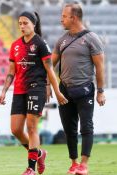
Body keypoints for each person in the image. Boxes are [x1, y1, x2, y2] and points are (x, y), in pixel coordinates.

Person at [0, 11, 68, 175]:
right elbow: (11, 72)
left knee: (31, 128)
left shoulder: (41, 44)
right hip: (19, 91)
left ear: (33, 24)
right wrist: (3, 91)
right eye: (20, 23)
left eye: (25, 23)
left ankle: (31, 168)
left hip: (36, 88)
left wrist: (56, 91)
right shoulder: (15, 45)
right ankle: (39, 153)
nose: (22, 26)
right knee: (15, 130)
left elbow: (50, 69)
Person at [52, 3, 106, 175]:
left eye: (64, 16)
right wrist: (47, 84)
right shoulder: (62, 40)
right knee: (69, 129)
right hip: (64, 91)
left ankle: (84, 164)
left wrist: (101, 91)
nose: (61, 19)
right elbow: (49, 65)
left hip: (85, 90)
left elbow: (100, 66)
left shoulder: (92, 38)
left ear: (73, 17)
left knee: (86, 127)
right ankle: (74, 163)